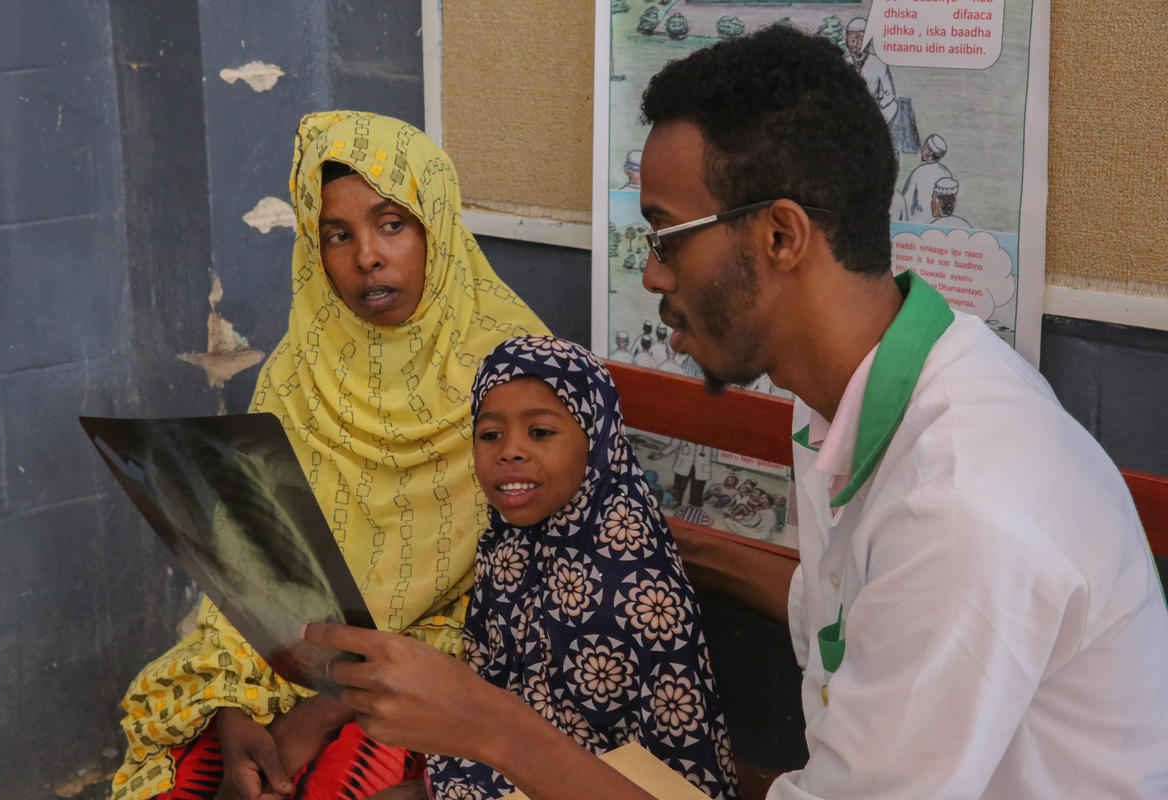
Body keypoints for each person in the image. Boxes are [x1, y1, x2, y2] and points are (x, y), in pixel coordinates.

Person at [304, 27, 1168, 800]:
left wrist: (486, 723)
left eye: (666, 235)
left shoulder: (965, 504)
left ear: (781, 238)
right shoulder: (857, 400)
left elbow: (920, 580)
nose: (651, 276)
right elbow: (844, 610)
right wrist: (653, 542)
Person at [110, 111, 547, 800]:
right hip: (286, 663)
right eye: (337, 235)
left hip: (446, 674)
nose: (366, 255)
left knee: (340, 786)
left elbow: (519, 598)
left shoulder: (514, 379)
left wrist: (329, 708)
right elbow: (248, 566)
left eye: (392, 224)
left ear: (437, 224)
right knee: (188, 781)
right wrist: (233, 711)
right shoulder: (299, 370)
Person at [424, 334, 738, 799]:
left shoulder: (639, 596)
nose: (509, 451)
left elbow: (682, 767)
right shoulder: (507, 543)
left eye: (541, 432)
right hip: (501, 759)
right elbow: (489, 679)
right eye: (490, 435)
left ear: (596, 441)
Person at [900, 133, 952, 223]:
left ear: (930, 153)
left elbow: (905, 201)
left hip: (916, 224)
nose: (922, 150)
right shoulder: (947, 173)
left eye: (925, 148)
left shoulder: (918, 172)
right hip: (938, 225)